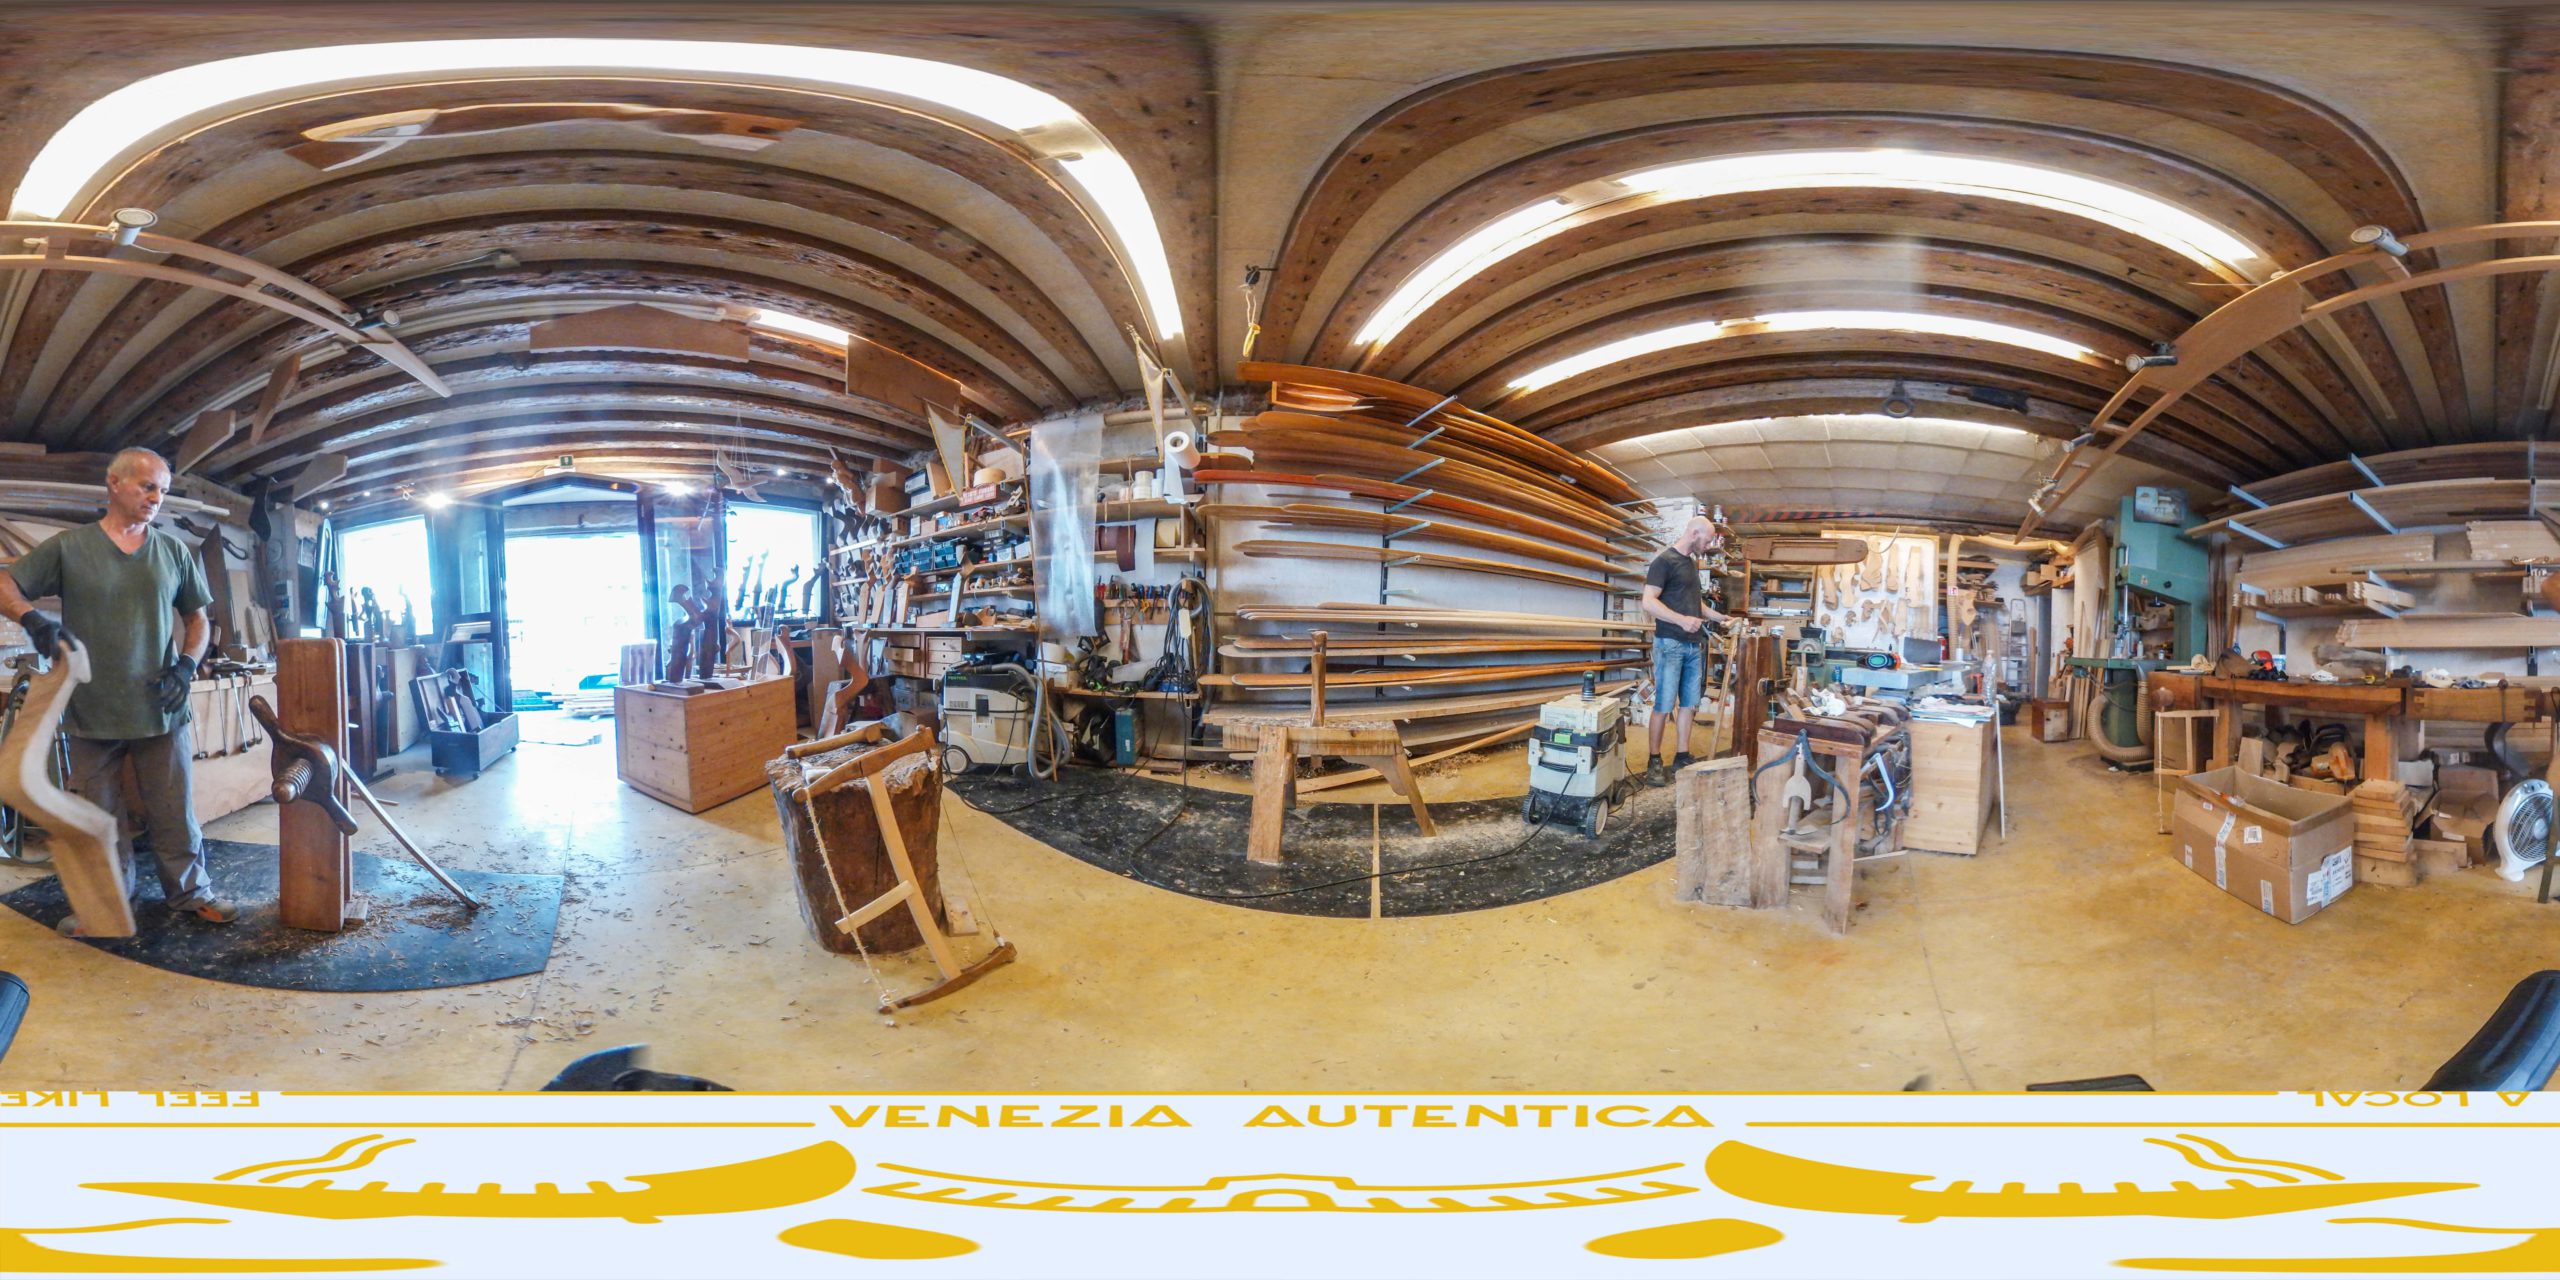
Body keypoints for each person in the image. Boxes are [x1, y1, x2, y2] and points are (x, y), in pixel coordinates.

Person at [0, 448, 229, 930]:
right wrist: (33, 619)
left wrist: (187, 666)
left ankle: (191, 893)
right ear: (115, 484)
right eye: (147, 486)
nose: (156, 498)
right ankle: (107, 905)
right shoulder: (70, 547)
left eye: (162, 490)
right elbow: (5, 583)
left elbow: (198, 619)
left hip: (161, 706)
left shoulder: (172, 552)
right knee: (97, 816)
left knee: (174, 811)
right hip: (90, 710)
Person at [1639, 515, 1731, 780]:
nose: (1709, 545)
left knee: (1690, 704)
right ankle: (1654, 761)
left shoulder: (1691, 564)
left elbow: (1695, 604)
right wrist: (1681, 620)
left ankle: (1682, 756)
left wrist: (1720, 618)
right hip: (1670, 643)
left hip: (1692, 646)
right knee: (1664, 704)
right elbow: (1648, 601)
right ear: (1694, 533)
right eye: (1708, 540)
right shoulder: (1664, 562)